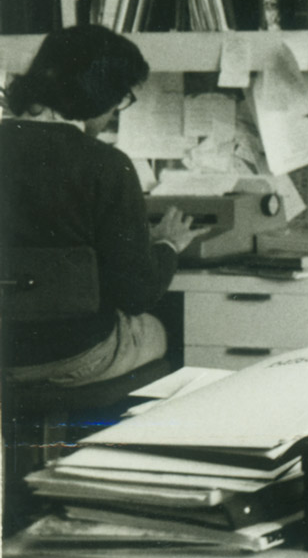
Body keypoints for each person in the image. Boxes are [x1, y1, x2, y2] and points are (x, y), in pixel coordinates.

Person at [1, 25, 205, 387]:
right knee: (158, 329)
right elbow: (135, 294)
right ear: (102, 94)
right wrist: (167, 245)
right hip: (72, 355)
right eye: (120, 98)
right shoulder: (106, 164)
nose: (113, 112)